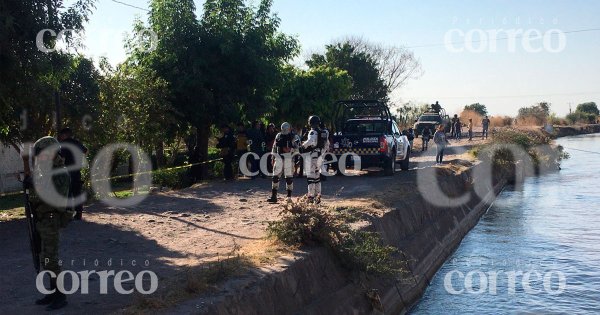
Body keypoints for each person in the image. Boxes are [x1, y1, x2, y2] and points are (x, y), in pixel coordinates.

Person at [30, 136, 72, 311]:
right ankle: (53, 292)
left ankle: (60, 296)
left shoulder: (60, 173)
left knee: (51, 259)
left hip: (52, 219)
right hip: (43, 219)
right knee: (45, 258)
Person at [57, 128, 87, 220]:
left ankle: (68, 214)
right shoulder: (77, 143)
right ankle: (79, 214)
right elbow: (85, 151)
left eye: (61, 136)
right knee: (77, 193)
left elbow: (62, 158)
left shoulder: (64, 144)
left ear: (64, 135)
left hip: (68, 171)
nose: (60, 138)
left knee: (68, 193)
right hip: (77, 170)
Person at [267, 122, 299, 203]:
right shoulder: (278, 136)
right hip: (279, 158)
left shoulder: (294, 137)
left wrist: (290, 150)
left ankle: (289, 197)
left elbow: (297, 149)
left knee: (289, 178)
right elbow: (274, 147)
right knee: (275, 177)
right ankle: (274, 196)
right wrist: (272, 157)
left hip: (289, 159)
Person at [302, 115, 329, 204]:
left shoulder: (313, 132)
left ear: (310, 122)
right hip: (319, 156)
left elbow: (310, 141)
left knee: (310, 178)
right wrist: (322, 154)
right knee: (317, 178)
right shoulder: (323, 132)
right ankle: (318, 197)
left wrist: (302, 146)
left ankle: (310, 197)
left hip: (312, 156)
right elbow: (326, 145)